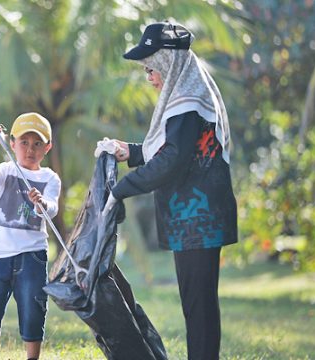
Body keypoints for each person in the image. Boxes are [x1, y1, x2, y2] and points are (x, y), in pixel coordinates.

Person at [100, 22, 237, 360]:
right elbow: (169, 149)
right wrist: (128, 151)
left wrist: (119, 190)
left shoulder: (188, 103)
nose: (150, 77)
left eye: (151, 68)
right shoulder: (185, 100)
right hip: (193, 220)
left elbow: (171, 161)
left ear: (167, 63)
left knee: (199, 304)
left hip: (199, 220)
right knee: (196, 303)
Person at [0, 113, 61, 360]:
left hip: (32, 255)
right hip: (0, 254)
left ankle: (32, 356)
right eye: (23, 142)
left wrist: (41, 203)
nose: (29, 149)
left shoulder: (49, 178)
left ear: (47, 147)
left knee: (33, 306)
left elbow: (51, 210)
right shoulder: (7, 170)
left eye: (37, 144)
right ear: (11, 144)